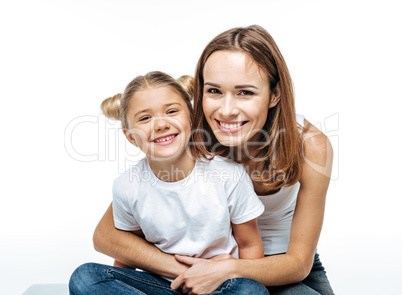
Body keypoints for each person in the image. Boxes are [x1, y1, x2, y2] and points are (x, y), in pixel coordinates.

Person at [90, 25, 335, 295]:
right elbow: (107, 236)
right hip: (196, 264)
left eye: (246, 92)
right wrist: (188, 270)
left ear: (274, 94)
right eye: (214, 91)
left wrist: (228, 269)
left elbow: (299, 263)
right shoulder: (185, 135)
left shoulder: (310, 145)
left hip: (280, 265)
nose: (227, 111)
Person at [69, 71, 269, 295]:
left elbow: (250, 245)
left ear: (192, 118)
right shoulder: (127, 186)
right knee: (85, 277)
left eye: (172, 111)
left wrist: (235, 272)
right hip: (164, 286)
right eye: (145, 118)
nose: (161, 124)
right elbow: (127, 252)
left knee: (251, 290)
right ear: (131, 137)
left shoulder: (229, 175)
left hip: (219, 284)